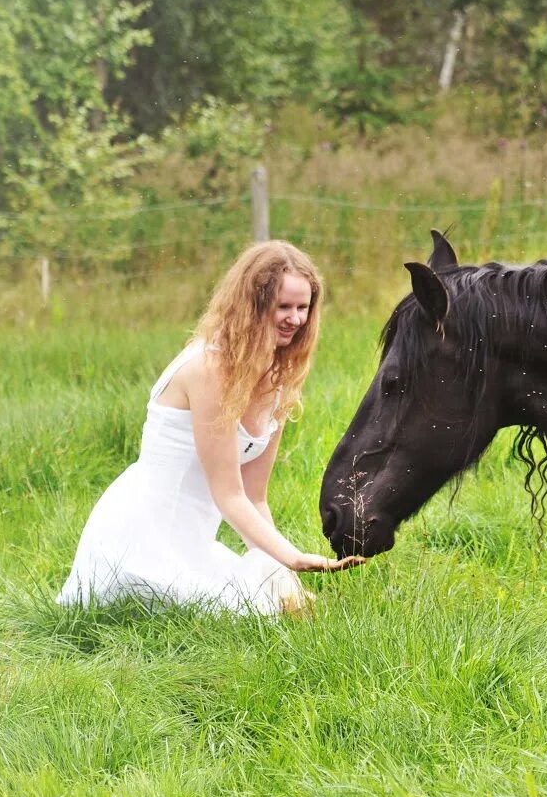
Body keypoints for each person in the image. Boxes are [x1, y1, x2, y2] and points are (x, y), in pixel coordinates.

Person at [58, 240, 362, 616]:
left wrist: (280, 572)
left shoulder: (278, 380)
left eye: (303, 308)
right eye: (283, 306)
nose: (295, 319)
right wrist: (293, 557)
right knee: (250, 616)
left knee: (284, 606)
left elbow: (254, 498)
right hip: (137, 539)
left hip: (192, 544)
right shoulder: (209, 370)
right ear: (253, 304)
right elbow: (228, 493)